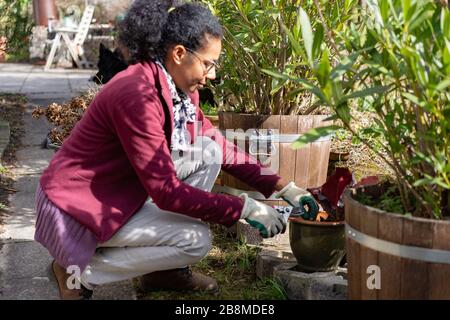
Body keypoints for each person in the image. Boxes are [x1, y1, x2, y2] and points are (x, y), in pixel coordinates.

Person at [34, 0, 318, 300]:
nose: (212, 75)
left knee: (207, 150)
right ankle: (77, 274)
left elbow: (218, 146)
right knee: (195, 240)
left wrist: (283, 187)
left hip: (116, 192)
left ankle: (162, 273)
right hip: (76, 211)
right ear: (179, 53)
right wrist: (244, 208)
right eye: (208, 63)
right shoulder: (137, 94)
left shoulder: (179, 90)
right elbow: (166, 192)